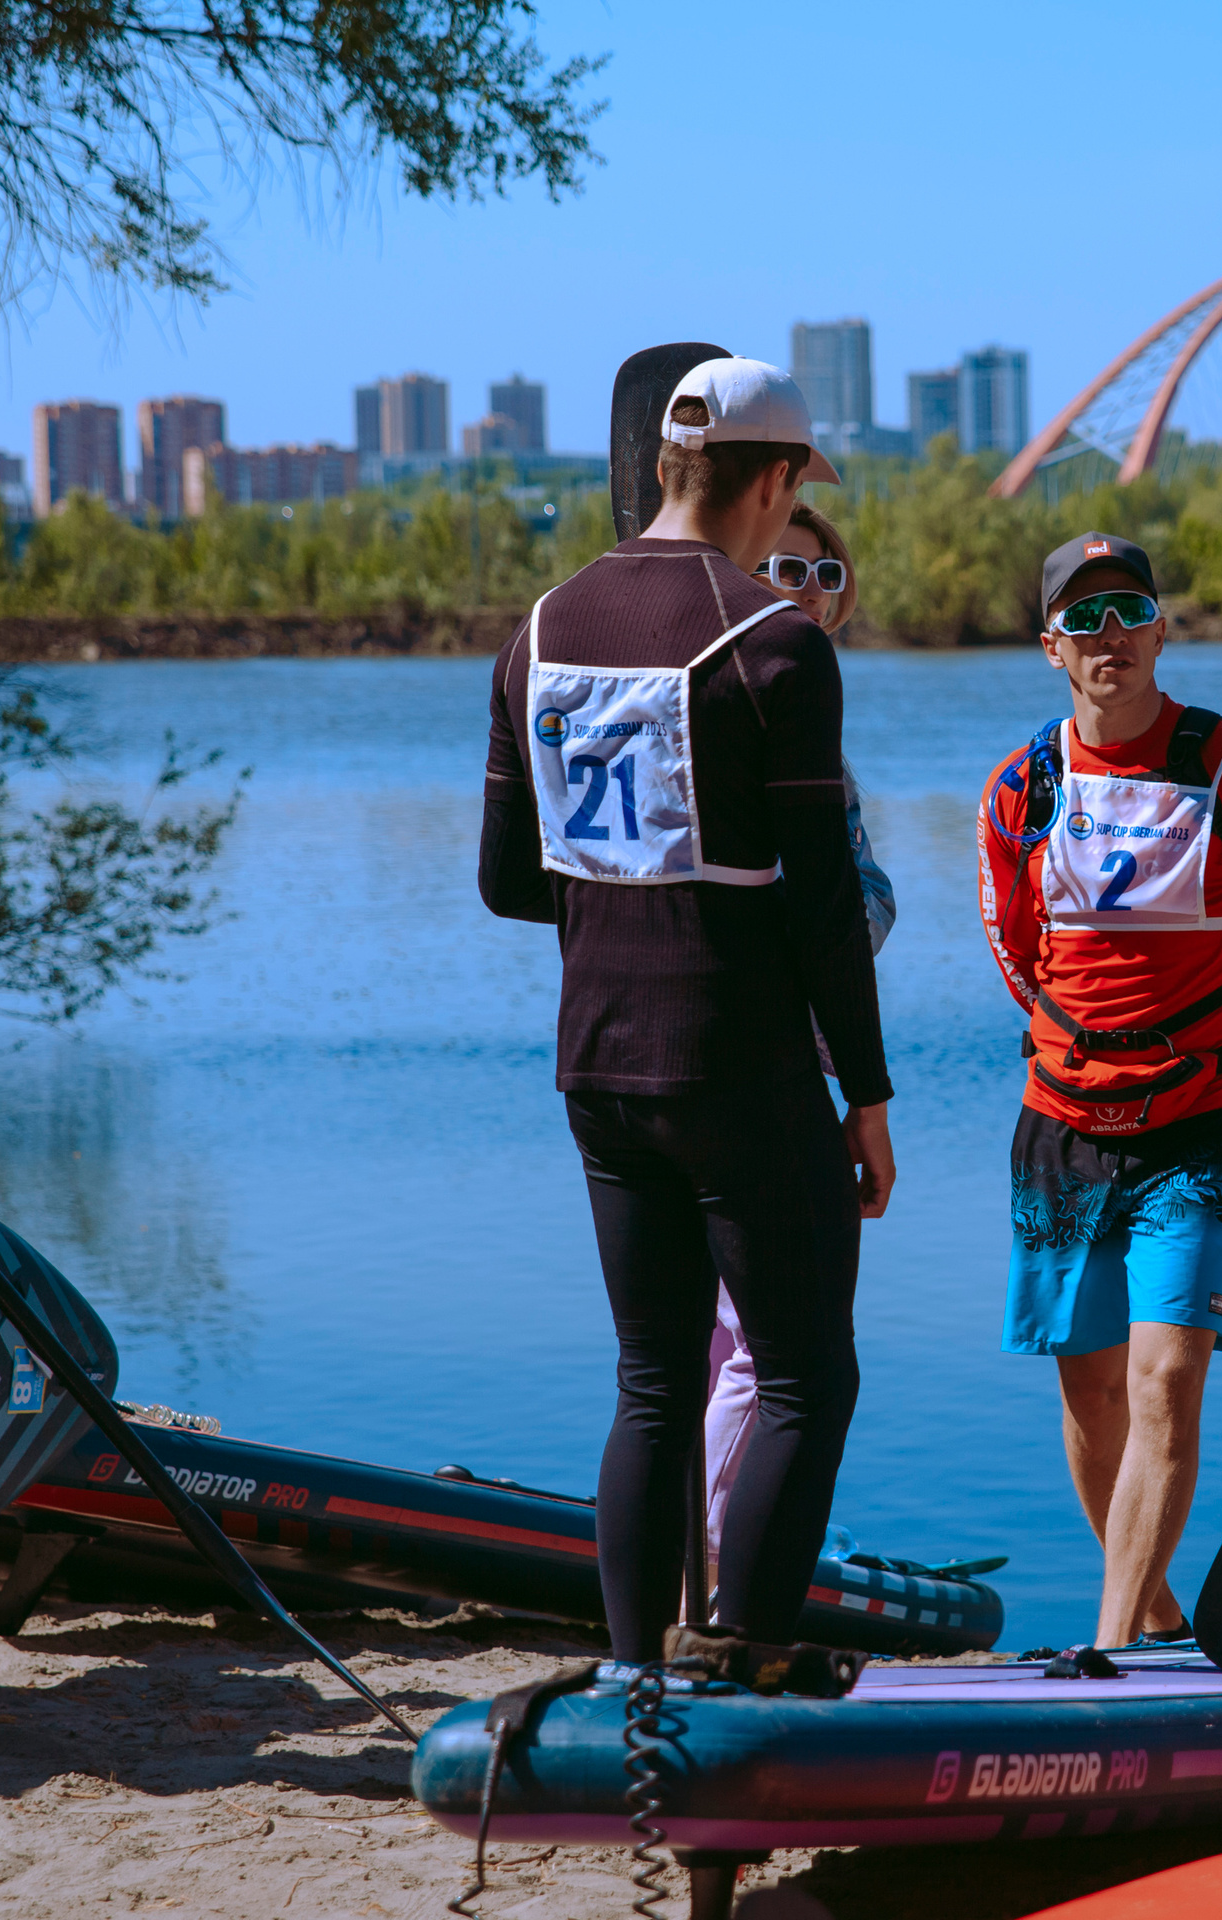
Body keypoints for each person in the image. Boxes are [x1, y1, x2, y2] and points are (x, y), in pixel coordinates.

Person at [478, 355, 895, 1666]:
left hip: (598, 1067)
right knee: (805, 1377)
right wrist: (867, 1095)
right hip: (742, 1070)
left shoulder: (539, 630)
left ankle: (634, 1676)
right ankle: (740, 1674)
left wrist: (630, 914)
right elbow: (825, 912)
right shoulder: (775, 644)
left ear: (668, 465)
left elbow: (507, 882)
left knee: (653, 1383)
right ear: (772, 481)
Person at [977, 532, 1222, 1654]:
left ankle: (1113, 1645)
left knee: (1165, 1380)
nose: (1109, 635)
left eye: (1128, 610)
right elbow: (1013, 943)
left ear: (1162, 630)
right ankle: (1158, 1610)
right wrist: (1082, 1047)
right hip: (1062, 1125)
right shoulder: (1021, 786)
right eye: (1083, 619)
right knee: (1089, 1394)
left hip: (1200, 1126)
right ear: (1051, 648)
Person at [705, 500, 894, 1566]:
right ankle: (718, 1563)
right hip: (766, 1072)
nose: (810, 592)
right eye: (785, 568)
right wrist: (866, 1096)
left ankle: (692, 1555)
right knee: (776, 1353)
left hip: (693, 1060)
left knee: (710, 1339)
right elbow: (831, 914)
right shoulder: (775, 717)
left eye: (826, 574)